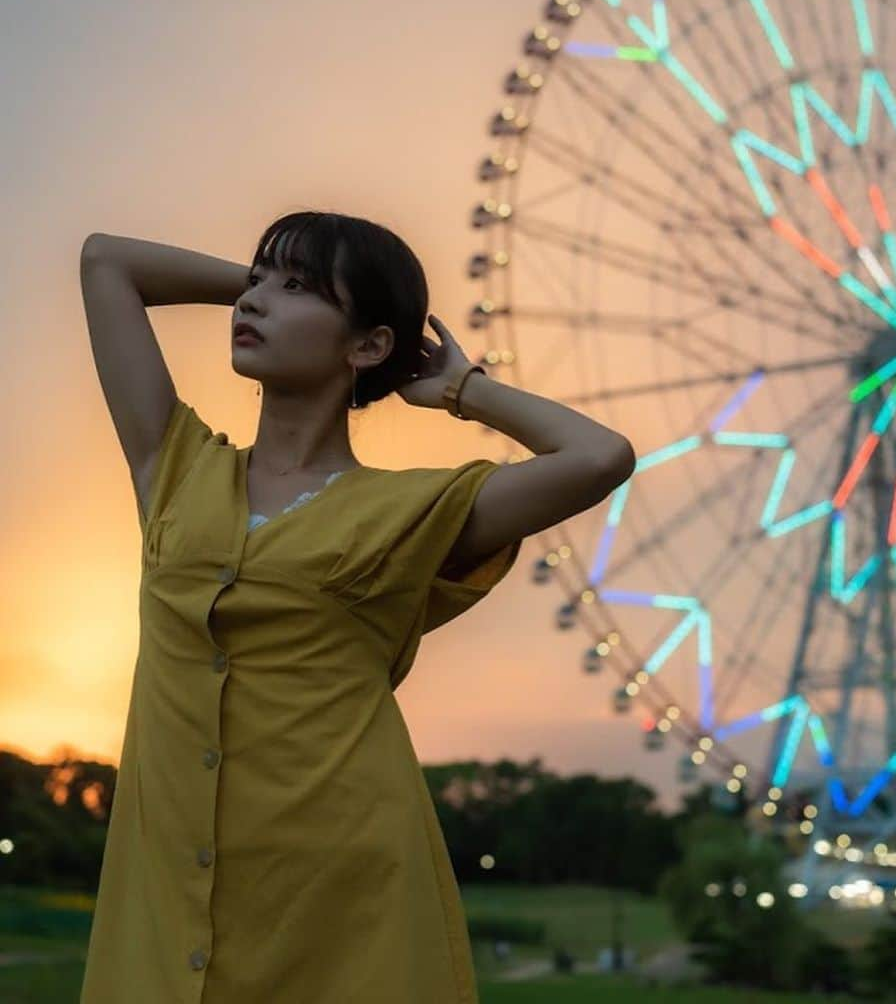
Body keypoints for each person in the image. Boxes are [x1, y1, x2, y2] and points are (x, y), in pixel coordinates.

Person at [77, 210, 636, 1003]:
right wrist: (265, 284)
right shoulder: (174, 468)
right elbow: (107, 262)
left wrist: (460, 390)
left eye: (296, 287)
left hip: (342, 883)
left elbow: (599, 456)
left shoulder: (419, 508)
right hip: (164, 883)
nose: (256, 302)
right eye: (258, 280)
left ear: (369, 345)